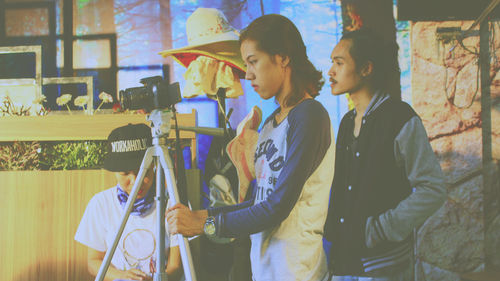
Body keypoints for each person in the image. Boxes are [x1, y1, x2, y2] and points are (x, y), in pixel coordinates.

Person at [166, 14, 336, 281]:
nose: (248, 74)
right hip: (265, 271)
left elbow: (276, 208)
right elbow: (256, 204)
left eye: (253, 61)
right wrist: (199, 218)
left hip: (299, 273)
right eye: (246, 64)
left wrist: (203, 224)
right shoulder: (270, 123)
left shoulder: (310, 116)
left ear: (283, 57)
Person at [323, 28, 447, 281]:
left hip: (384, 264)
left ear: (366, 69)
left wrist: (380, 229)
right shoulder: (347, 122)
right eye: (331, 63)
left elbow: (432, 188)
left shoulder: (400, 118)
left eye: (339, 63)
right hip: (345, 260)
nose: (330, 72)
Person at [75, 123, 182, 281]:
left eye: (142, 171)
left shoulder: (172, 204)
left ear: (154, 165)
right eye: (125, 173)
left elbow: (176, 266)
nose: (135, 181)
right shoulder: (101, 204)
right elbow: (93, 262)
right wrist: (123, 276)